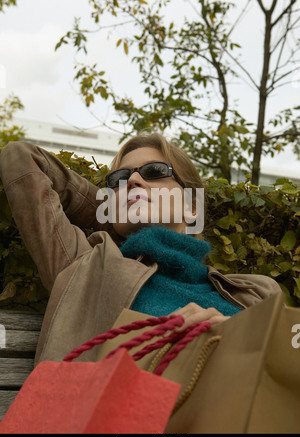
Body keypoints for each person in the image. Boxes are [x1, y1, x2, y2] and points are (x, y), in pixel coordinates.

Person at [0, 134, 282, 363]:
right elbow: (22, 159)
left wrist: (235, 338)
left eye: (155, 172)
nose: (133, 181)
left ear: (191, 207)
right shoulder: (86, 267)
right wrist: (114, 211)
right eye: (119, 180)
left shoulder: (257, 293)